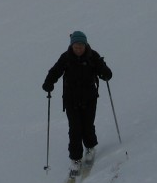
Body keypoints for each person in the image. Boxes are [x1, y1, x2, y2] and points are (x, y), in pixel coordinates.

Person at [42, 31, 112, 175]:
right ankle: (75, 159)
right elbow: (55, 71)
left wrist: (105, 72)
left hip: (90, 98)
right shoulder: (66, 57)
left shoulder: (93, 56)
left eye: (81, 46)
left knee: (87, 125)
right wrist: (49, 83)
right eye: (76, 46)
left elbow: (105, 72)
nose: (78, 49)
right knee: (75, 129)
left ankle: (91, 147)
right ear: (72, 45)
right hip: (71, 99)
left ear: (85, 45)